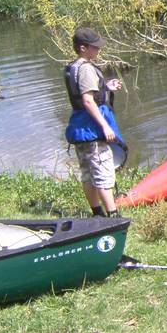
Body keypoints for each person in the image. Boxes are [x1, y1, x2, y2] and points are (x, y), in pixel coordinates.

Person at [64, 27, 124, 217]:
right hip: (92, 129)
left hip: (80, 128)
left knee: (88, 173)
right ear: (83, 48)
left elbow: (85, 93)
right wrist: (105, 126)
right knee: (103, 172)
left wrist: (106, 87)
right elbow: (88, 101)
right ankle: (113, 216)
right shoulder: (87, 69)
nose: (98, 50)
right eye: (95, 47)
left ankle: (97, 213)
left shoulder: (74, 67)